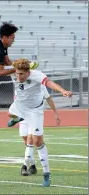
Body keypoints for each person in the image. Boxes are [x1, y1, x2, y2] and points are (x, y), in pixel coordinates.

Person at [7, 58, 72, 187]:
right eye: (17, 73)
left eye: (21, 74)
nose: (18, 76)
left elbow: (50, 84)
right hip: (20, 105)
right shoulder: (12, 72)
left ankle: (47, 174)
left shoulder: (37, 76)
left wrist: (63, 91)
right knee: (10, 114)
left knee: (37, 142)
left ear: (28, 72)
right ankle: (18, 116)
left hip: (35, 111)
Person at [18, 85, 61, 176]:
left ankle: (24, 166)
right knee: (26, 141)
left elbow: (48, 98)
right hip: (22, 116)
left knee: (30, 140)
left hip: (34, 116)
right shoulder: (20, 83)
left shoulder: (40, 84)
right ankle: (33, 166)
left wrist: (56, 113)